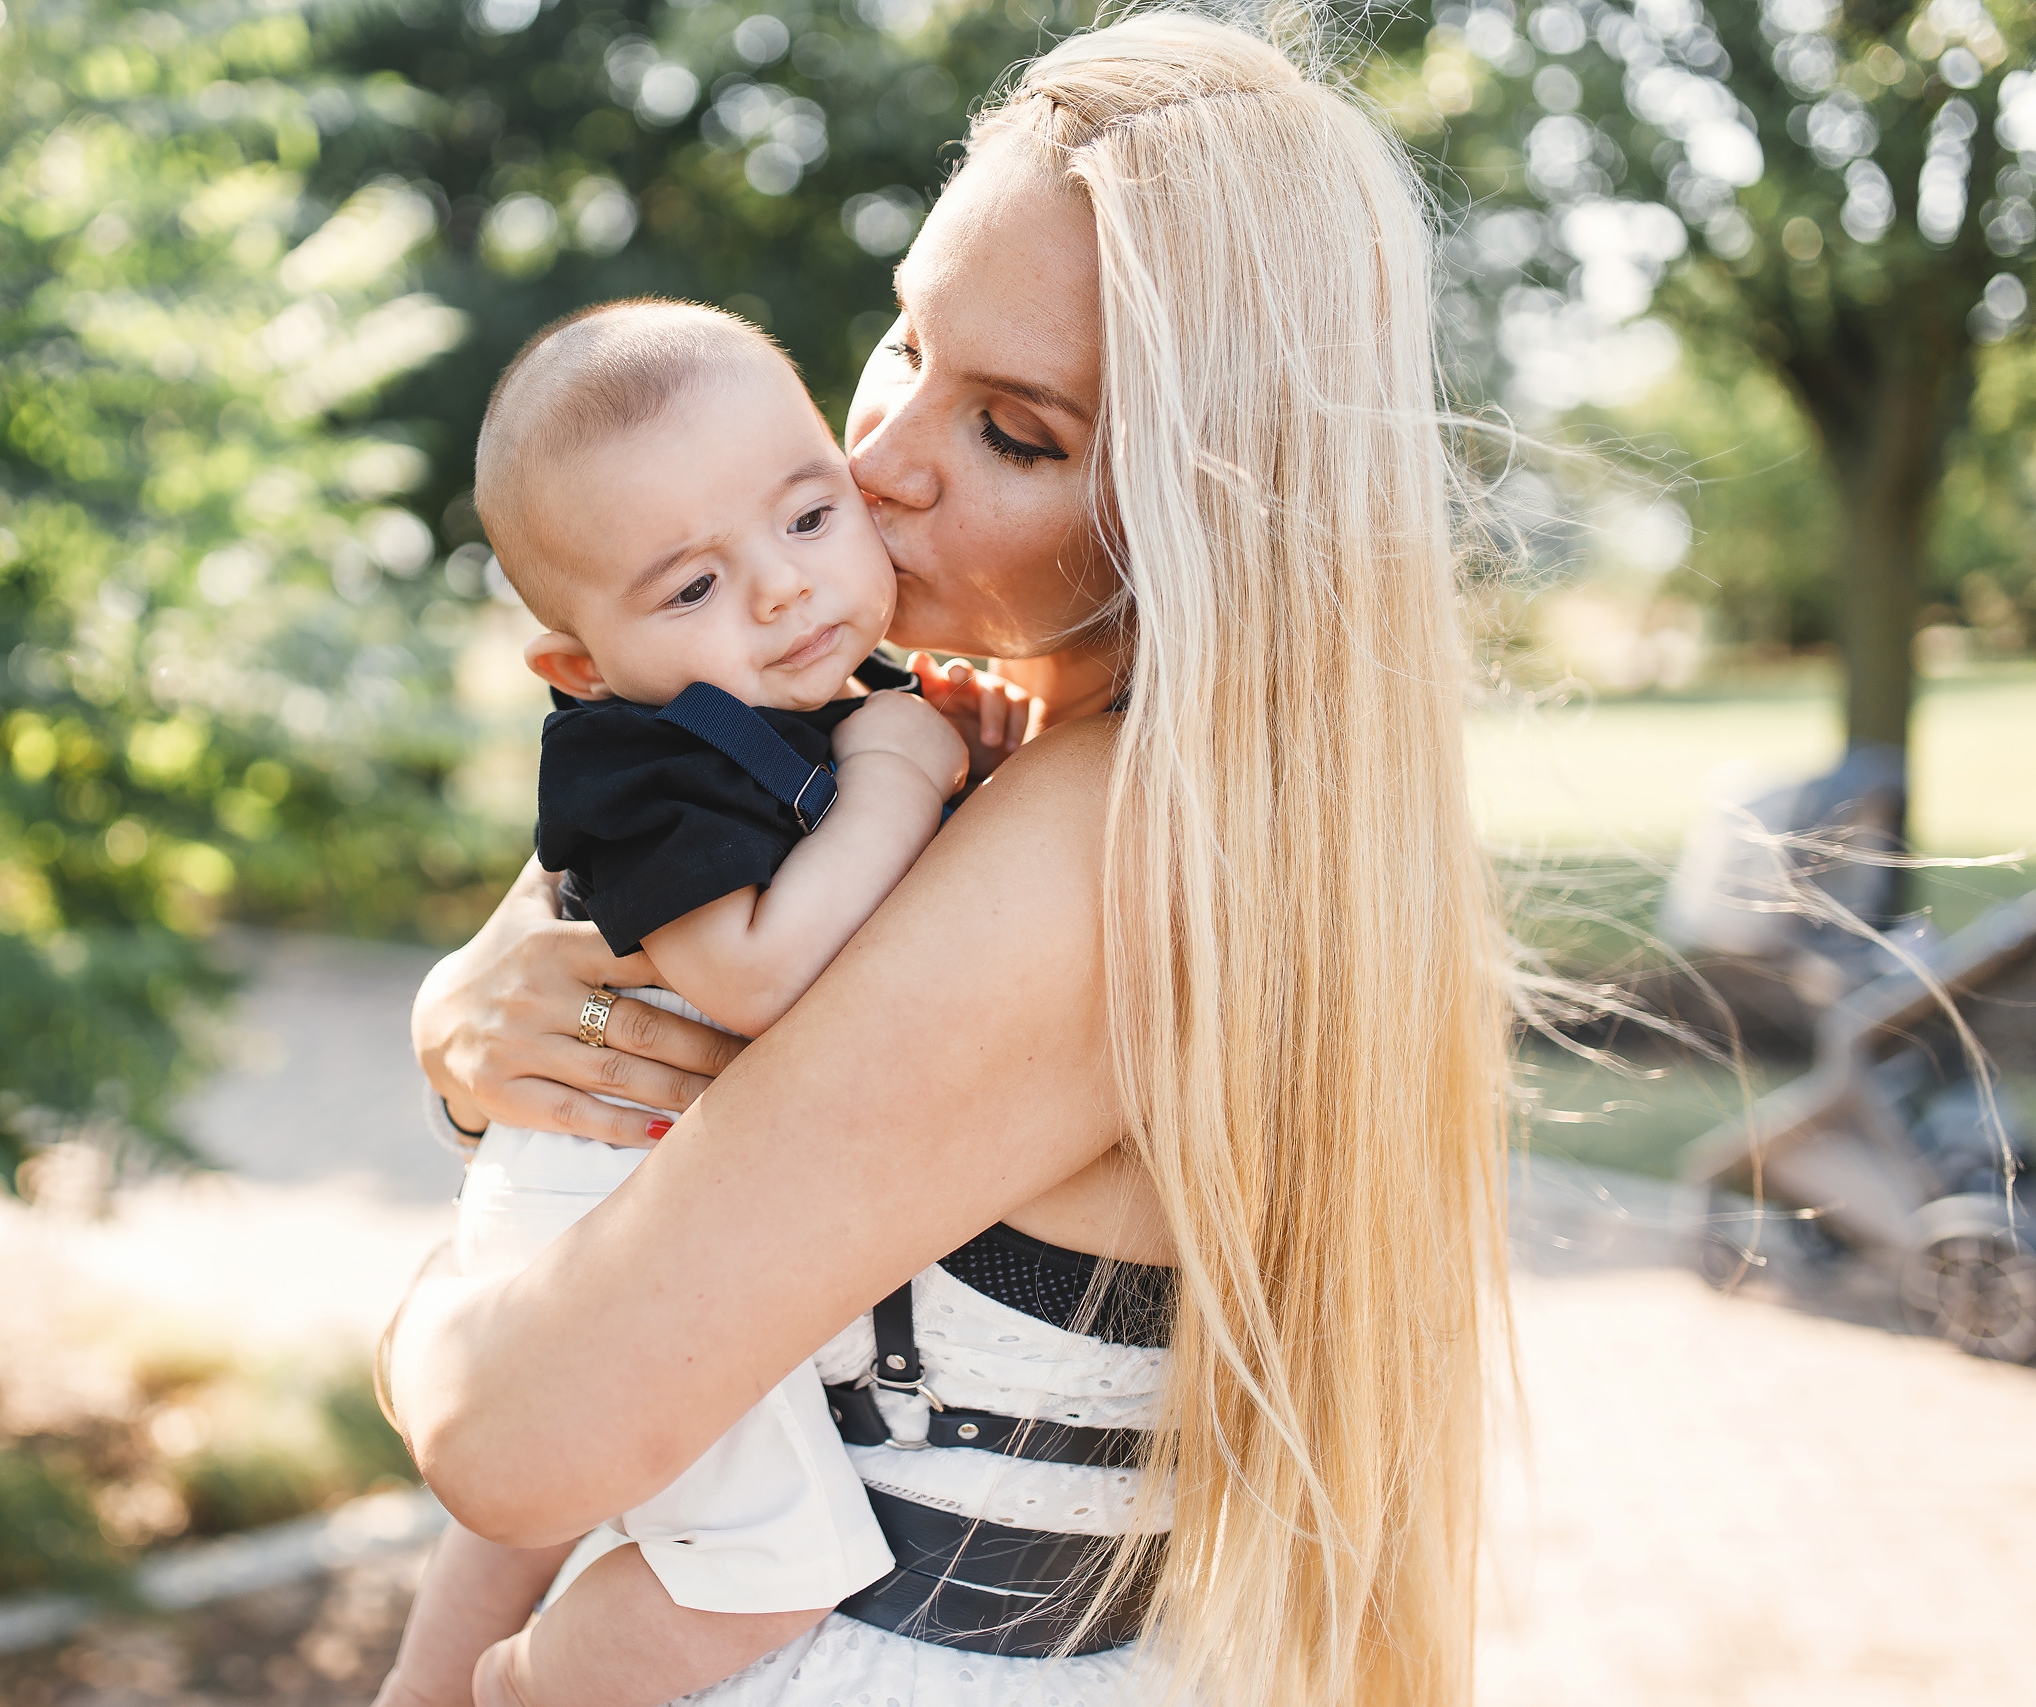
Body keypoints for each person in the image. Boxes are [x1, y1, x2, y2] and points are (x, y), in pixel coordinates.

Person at [388, 12, 1512, 1704]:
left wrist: (415, 1321)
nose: (877, 460)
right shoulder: (941, 752)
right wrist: (473, 1049)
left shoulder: (1089, 856)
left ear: (1201, 511)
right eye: (907, 339)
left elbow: (517, 1436)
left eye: (1017, 433)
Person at [374, 299, 972, 1707]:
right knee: (767, 1560)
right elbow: (756, 974)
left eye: (809, 518)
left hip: (628, 1183)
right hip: (593, 1192)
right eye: (692, 587)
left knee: (583, 1504)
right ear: (582, 669)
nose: (780, 590)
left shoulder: (824, 701)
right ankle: (520, 1689)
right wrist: (902, 777)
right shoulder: (640, 766)